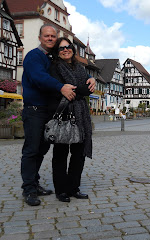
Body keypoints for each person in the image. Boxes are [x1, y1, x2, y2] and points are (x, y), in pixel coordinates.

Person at [21, 24, 95, 206]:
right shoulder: (34, 56)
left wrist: (91, 79)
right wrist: (61, 87)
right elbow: (40, 78)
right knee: (31, 150)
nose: (50, 38)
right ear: (40, 38)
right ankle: (29, 188)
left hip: (48, 111)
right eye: (47, 36)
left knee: (41, 149)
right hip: (35, 109)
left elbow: (82, 83)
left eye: (53, 36)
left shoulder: (51, 58)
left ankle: (35, 183)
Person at [48, 37, 93, 202]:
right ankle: (61, 190)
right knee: (60, 154)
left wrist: (86, 84)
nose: (65, 50)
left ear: (73, 50)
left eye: (68, 47)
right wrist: (80, 89)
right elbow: (69, 90)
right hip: (64, 114)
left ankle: (74, 188)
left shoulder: (80, 68)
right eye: (61, 48)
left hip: (81, 115)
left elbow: (85, 89)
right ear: (57, 52)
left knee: (78, 154)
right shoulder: (55, 68)